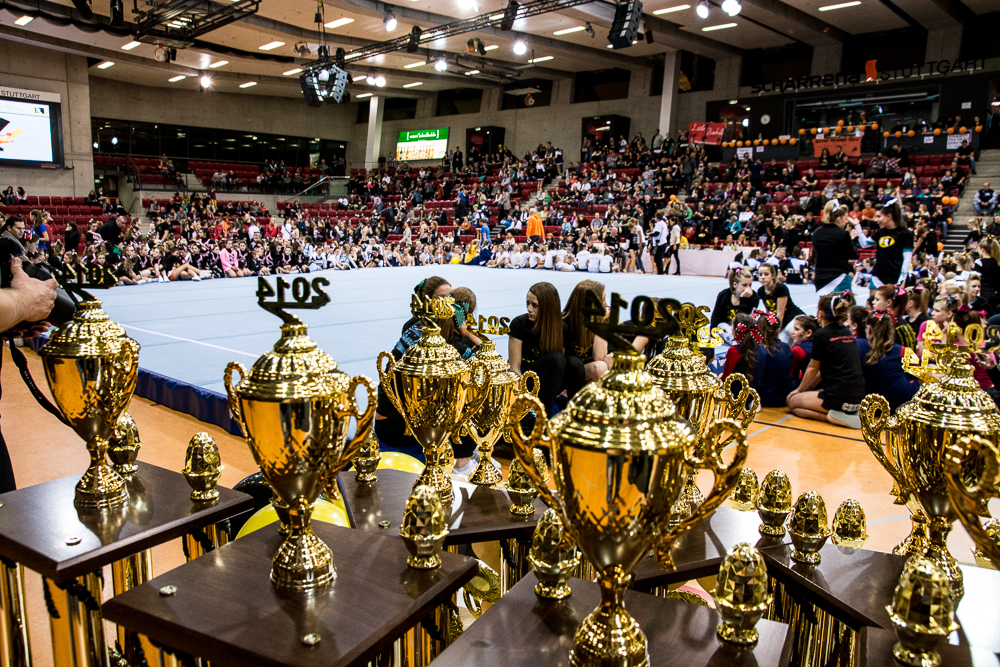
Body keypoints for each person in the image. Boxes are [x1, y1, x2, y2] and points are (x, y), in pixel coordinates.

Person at [374, 277, 454, 460]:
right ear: (427, 301)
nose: (449, 302)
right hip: (396, 421)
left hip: (396, 412)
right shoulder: (422, 329)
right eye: (442, 298)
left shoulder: (426, 324)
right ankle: (461, 462)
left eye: (451, 297)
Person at [786, 292, 865, 429]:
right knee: (798, 400)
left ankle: (835, 417)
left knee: (792, 402)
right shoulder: (846, 332)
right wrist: (804, 391)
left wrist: (799, 390)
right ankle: (843, 415)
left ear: (820, 313)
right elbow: (821, 373)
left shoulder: (822, 334)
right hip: (857, 396)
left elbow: (813, 367)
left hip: (838, 396)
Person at [508, 282, 568, 416]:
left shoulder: (561, 328)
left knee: (574, 364)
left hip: (548, 381)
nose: (529, 309)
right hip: (525, 379)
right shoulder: (519, 324)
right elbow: (514, 368)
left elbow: (560, 368)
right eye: (528, 303)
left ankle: (575, 411)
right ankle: (542, 415)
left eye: (535, 305)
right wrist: (525, 395)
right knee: (557, 359)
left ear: (548, 307)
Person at [722, 310, 792, 407]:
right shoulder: (778, 348)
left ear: (734, 331)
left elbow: (727, 378)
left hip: (756, 396)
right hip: (779, 395)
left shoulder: (739, 350)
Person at [857, 310, 920, 412]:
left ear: (868, 329)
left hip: (870, 402)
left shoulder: (857, 345)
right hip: (900, 402)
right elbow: (919, 377)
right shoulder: (903, 350)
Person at [561, 280, 612, 398]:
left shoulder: (599, 321)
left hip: (585, 373)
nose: (606, 304)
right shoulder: (563, 323)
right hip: (567, 375)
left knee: (610, 360)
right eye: (603, 300)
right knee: (600, 367)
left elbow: (600, 357)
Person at [854, 198, 913, 294]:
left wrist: (902, 279)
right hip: (878, 276)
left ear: (889, 216)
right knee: (872, 302)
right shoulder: (880, 232)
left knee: (891, 303)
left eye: (879, 216)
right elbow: (864, 244)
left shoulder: (905, 234)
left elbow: (907, 258)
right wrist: (857, 226)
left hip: (895, 277)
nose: (876, 220)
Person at [812, 200, 858, 295]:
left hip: (820, 277)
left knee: (824, 304)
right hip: (839, 277)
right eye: (845, 218)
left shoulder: (816, 233)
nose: (847, 221)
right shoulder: (843, 234)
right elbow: (853, 254)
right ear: (839, 219)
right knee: (842, 304)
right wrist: (850, 238)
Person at [757, 263, 803, 341]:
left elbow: (780, 314)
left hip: (793, 317)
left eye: (766, 274)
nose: (763, 277)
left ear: (773, 275)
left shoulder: (780, 288)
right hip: (781, 321)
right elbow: (768, 311)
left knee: (784, 336)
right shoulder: (761, 290)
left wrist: (776, 331)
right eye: (760, 274)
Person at [789, 315, 818, 387]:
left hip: (807, 386)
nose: (792, 332)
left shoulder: (798, 350)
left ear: (808, 333)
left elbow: (793, 375)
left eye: (796, 329)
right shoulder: (820, 343)